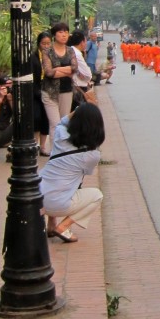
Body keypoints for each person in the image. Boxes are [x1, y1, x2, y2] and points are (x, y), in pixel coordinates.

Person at [39, 103, 106, 244]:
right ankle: (62, 227)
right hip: (58, 204)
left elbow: (63, 121)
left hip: (37, 197)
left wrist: (78, 110)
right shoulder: (92, 155)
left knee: (58, 182)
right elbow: (82, 176)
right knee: (96, 195)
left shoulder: (60, 134)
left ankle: (51, 225)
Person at [41, 22, 76, 149]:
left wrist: (58, 69)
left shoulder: (71, 50)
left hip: (66, 91)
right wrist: (66, 71)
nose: (64, 35)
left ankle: (62, 151)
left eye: (66, 32)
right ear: (54, 35)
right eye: (61, 32)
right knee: (55, 123)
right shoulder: (47, 51)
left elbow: (74, 69)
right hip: (50, 92)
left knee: (64, 123)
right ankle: (54, 152)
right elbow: (49, 72)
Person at [32, 31, 52, 156]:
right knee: (37, 117)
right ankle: (35, 144)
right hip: (36, 90)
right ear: (39, 44)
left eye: (48, 43)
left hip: (49, 90)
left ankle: (43, 146)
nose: (46, 46)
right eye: (43, 43)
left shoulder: (52, 56)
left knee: (46, 119)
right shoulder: (33, 57)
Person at [69, 31, 97, 104]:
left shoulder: (70, 50)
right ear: (82, 42)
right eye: (85, 41)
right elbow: (88, 75)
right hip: (79, 86)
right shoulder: (77, 54)